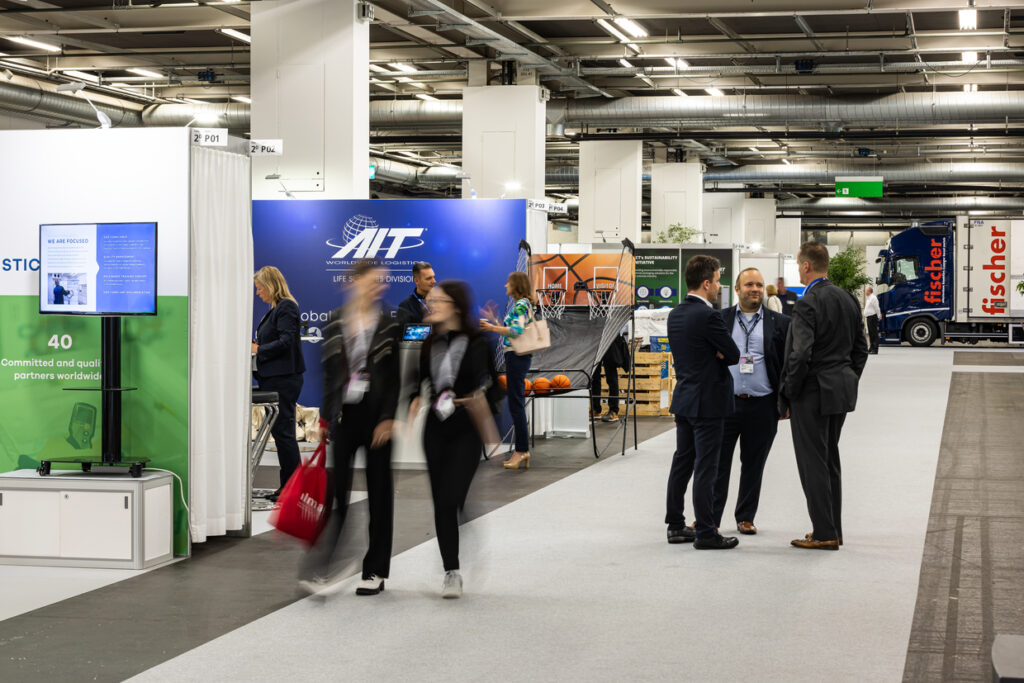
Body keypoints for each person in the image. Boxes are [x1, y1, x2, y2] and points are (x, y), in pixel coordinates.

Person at [300, 260, 401, 595]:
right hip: (344, 419)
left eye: (383, 283)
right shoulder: (333, 322)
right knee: (335, 493)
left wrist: (388, 417)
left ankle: (375, 570)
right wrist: (325, 418)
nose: (380, 288)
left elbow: (394, 378)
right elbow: (330, 376)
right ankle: (323, 566)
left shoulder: (388, 324)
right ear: (355, 281)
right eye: (374, 281)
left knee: (379, 496)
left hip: (378, 423)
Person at [413, 281, 501, 598]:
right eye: (430, 300)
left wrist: (480, 397)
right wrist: (412, 399)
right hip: (435, 427)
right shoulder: (430, 342)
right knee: (441, 502)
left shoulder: (478, 342)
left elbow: (495, 385)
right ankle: (452, 570)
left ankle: (460, 526)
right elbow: (419, 381)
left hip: (466, 428)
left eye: (437, 300)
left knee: (453, 498)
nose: (430, 304)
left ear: (456, 305)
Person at [779, 242, 869, 551]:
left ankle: (823, 533)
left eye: (797, 264)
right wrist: (848, 376)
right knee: (830, 459)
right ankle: (833, 529)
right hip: (839, 389)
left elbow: (800, 354)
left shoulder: (808, 302)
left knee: (812, 462)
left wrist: (789, 392)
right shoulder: (848, 298)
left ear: (805, 266)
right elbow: (861, 349)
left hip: (812, 392)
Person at [664, 255, 741, 550]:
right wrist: (718, 353)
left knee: (682, 463)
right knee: (707, 467)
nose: (720, 286)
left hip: (684, 398)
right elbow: (732, 354)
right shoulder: (709, 316)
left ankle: (675, 525)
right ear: (706, 283)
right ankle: (706, 532)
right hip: (709, 402)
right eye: (719, 280)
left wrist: (716, 352)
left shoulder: (676, 314)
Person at [713, 268, 790, 535]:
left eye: (759, 284)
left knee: (754, 464)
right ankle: (710, 519)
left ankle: (745, 517)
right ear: (737, 289)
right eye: (749, 284)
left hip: (763, 404)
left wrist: (786, 400)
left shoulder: (780, 322)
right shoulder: (720, 320)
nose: (755, 289)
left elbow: (786, 364)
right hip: (726, 404)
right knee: (717, 464)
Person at [252, 266, 306, 501]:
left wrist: (258, 349)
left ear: (271, 285)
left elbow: (286, 342)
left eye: (260, 288)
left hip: (284, 379)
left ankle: (293, 488)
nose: (257, 293)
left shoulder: (286, 307)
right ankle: (289, 486)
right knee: (281, 432)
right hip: (273, 378)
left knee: (284, 434)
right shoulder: (275, 309)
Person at [480, 272, 537, 470]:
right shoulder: (521, 305)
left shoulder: (521, 305)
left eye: (508, 283)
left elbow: (515, 332)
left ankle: (521, 451)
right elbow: (511, 329)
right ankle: (522, 450)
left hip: (517, 357)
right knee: (516, 403)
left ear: (516, 285)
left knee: (516, 404)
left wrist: (492, 328)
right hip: (515, 356)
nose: (505, 286)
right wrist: (494, 321)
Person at [590, 332, 630, 423]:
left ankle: (613, 411)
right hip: (597, 339)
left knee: (611, 377)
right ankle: (595, 409)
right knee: (594, 377)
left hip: (610, 339)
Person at [863, 285, 880, 354]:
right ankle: (871, 348)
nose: (865, 291)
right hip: (869, 317)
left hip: (873, 317)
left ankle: (875, 349)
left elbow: (877, 308)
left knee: (874, 333)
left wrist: (879, 315)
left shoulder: (873, 298)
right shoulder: (869, 298)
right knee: (870, 333)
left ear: (869, 291)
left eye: (866, 290)